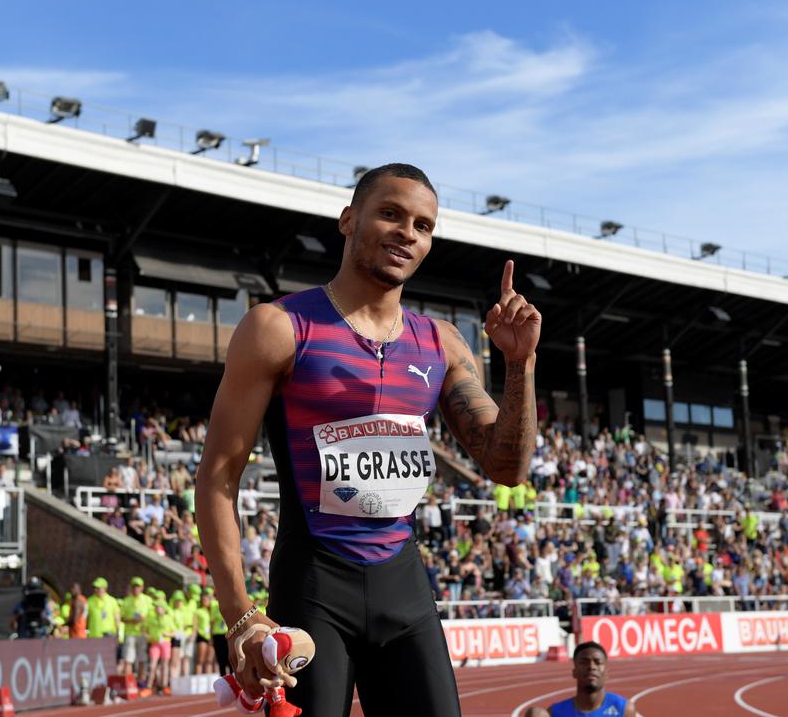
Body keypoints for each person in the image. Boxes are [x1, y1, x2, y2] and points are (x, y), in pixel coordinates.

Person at [196, 163, 541, 714]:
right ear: (348, 220)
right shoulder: (279, 328)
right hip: (313, 587)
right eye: (390, 214)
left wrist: (520, 364)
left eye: (424, 225)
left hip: (403, 585)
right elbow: (217, 480)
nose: (408, 232)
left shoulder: (443, 343)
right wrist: (240, 615)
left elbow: (507, 467)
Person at [527, 641, 635, 717]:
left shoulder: (623, 708)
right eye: (584, 662)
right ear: (574, 672)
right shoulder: (555, 712)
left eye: (597, 662)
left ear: (606, 673)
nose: (591, 666)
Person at [119, 578, 151, 678]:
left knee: (142, 658)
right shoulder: (126, 601)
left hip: (142, 632)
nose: (136, 588)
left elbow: (152, 615)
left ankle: (141, 681)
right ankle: (129, 683)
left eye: (138, 586)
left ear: (142, 588)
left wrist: (144, 619)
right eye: (134, 586)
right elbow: (121, 617)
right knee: (128, 659)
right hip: (130, 633)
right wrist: (132, 620)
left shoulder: (147, 600)